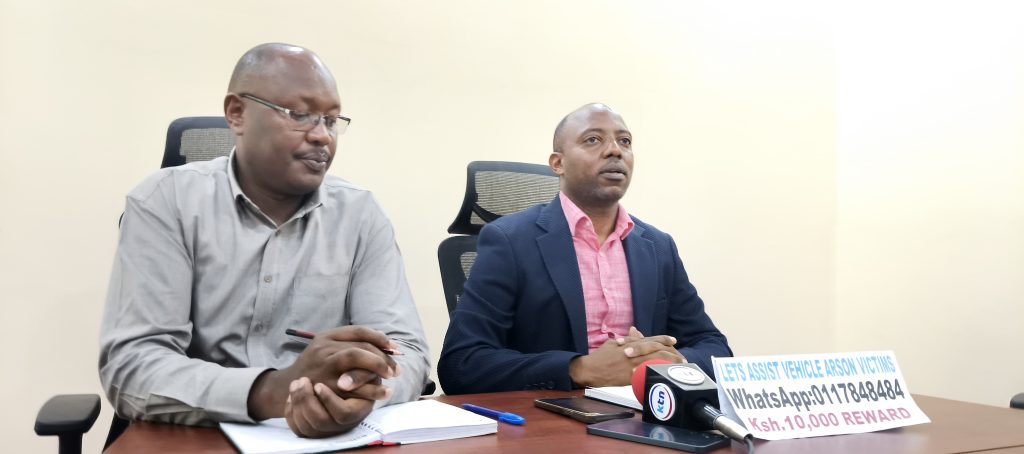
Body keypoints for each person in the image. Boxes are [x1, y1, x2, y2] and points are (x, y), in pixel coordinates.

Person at [99, 43, 430, 438]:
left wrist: (358, 393)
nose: (322, 136)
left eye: (331, 120)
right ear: (237, 114)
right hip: (195, 436)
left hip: (327, 438)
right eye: (300, 115)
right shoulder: (166, 201)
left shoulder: (360, 214)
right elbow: (132, 366)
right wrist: (272, 390)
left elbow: (405, 350)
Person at [438, 103, 731, 394]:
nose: (615, 150)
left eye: (625, 141)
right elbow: (461, 364)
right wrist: (580, 369)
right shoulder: (509, 240)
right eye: (593, 140)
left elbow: (714, 347)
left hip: (645, 409)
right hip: (552, 413)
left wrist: (667, 363)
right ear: (558, 163)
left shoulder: (658, 246)